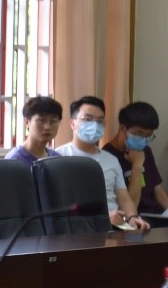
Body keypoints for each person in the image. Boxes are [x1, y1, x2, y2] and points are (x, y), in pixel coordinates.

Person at [54, 96, 150, 231]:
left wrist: (132, 217)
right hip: (78, 228)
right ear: (72, 123)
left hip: (115, 227)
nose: (94, 125)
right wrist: (104, 217)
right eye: (88, 119)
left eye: (100, 121)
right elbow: (61, 205)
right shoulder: (58, 157)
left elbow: (124, 199)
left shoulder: (111, 160)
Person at [103, 101, 168, 216]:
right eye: (139, 134)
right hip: (135, 218)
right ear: (122, 128)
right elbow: (130, 207)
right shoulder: (107, 156)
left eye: (148, 135)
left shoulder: (145, 150)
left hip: (156, 215)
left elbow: (159, 192)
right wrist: (137, 165)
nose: (143, 140)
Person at [5, 96, 64, 165]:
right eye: (41, 120)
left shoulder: (56, 159)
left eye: (53, 121)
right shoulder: (14, 160)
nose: (47, 127)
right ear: (27, 122)